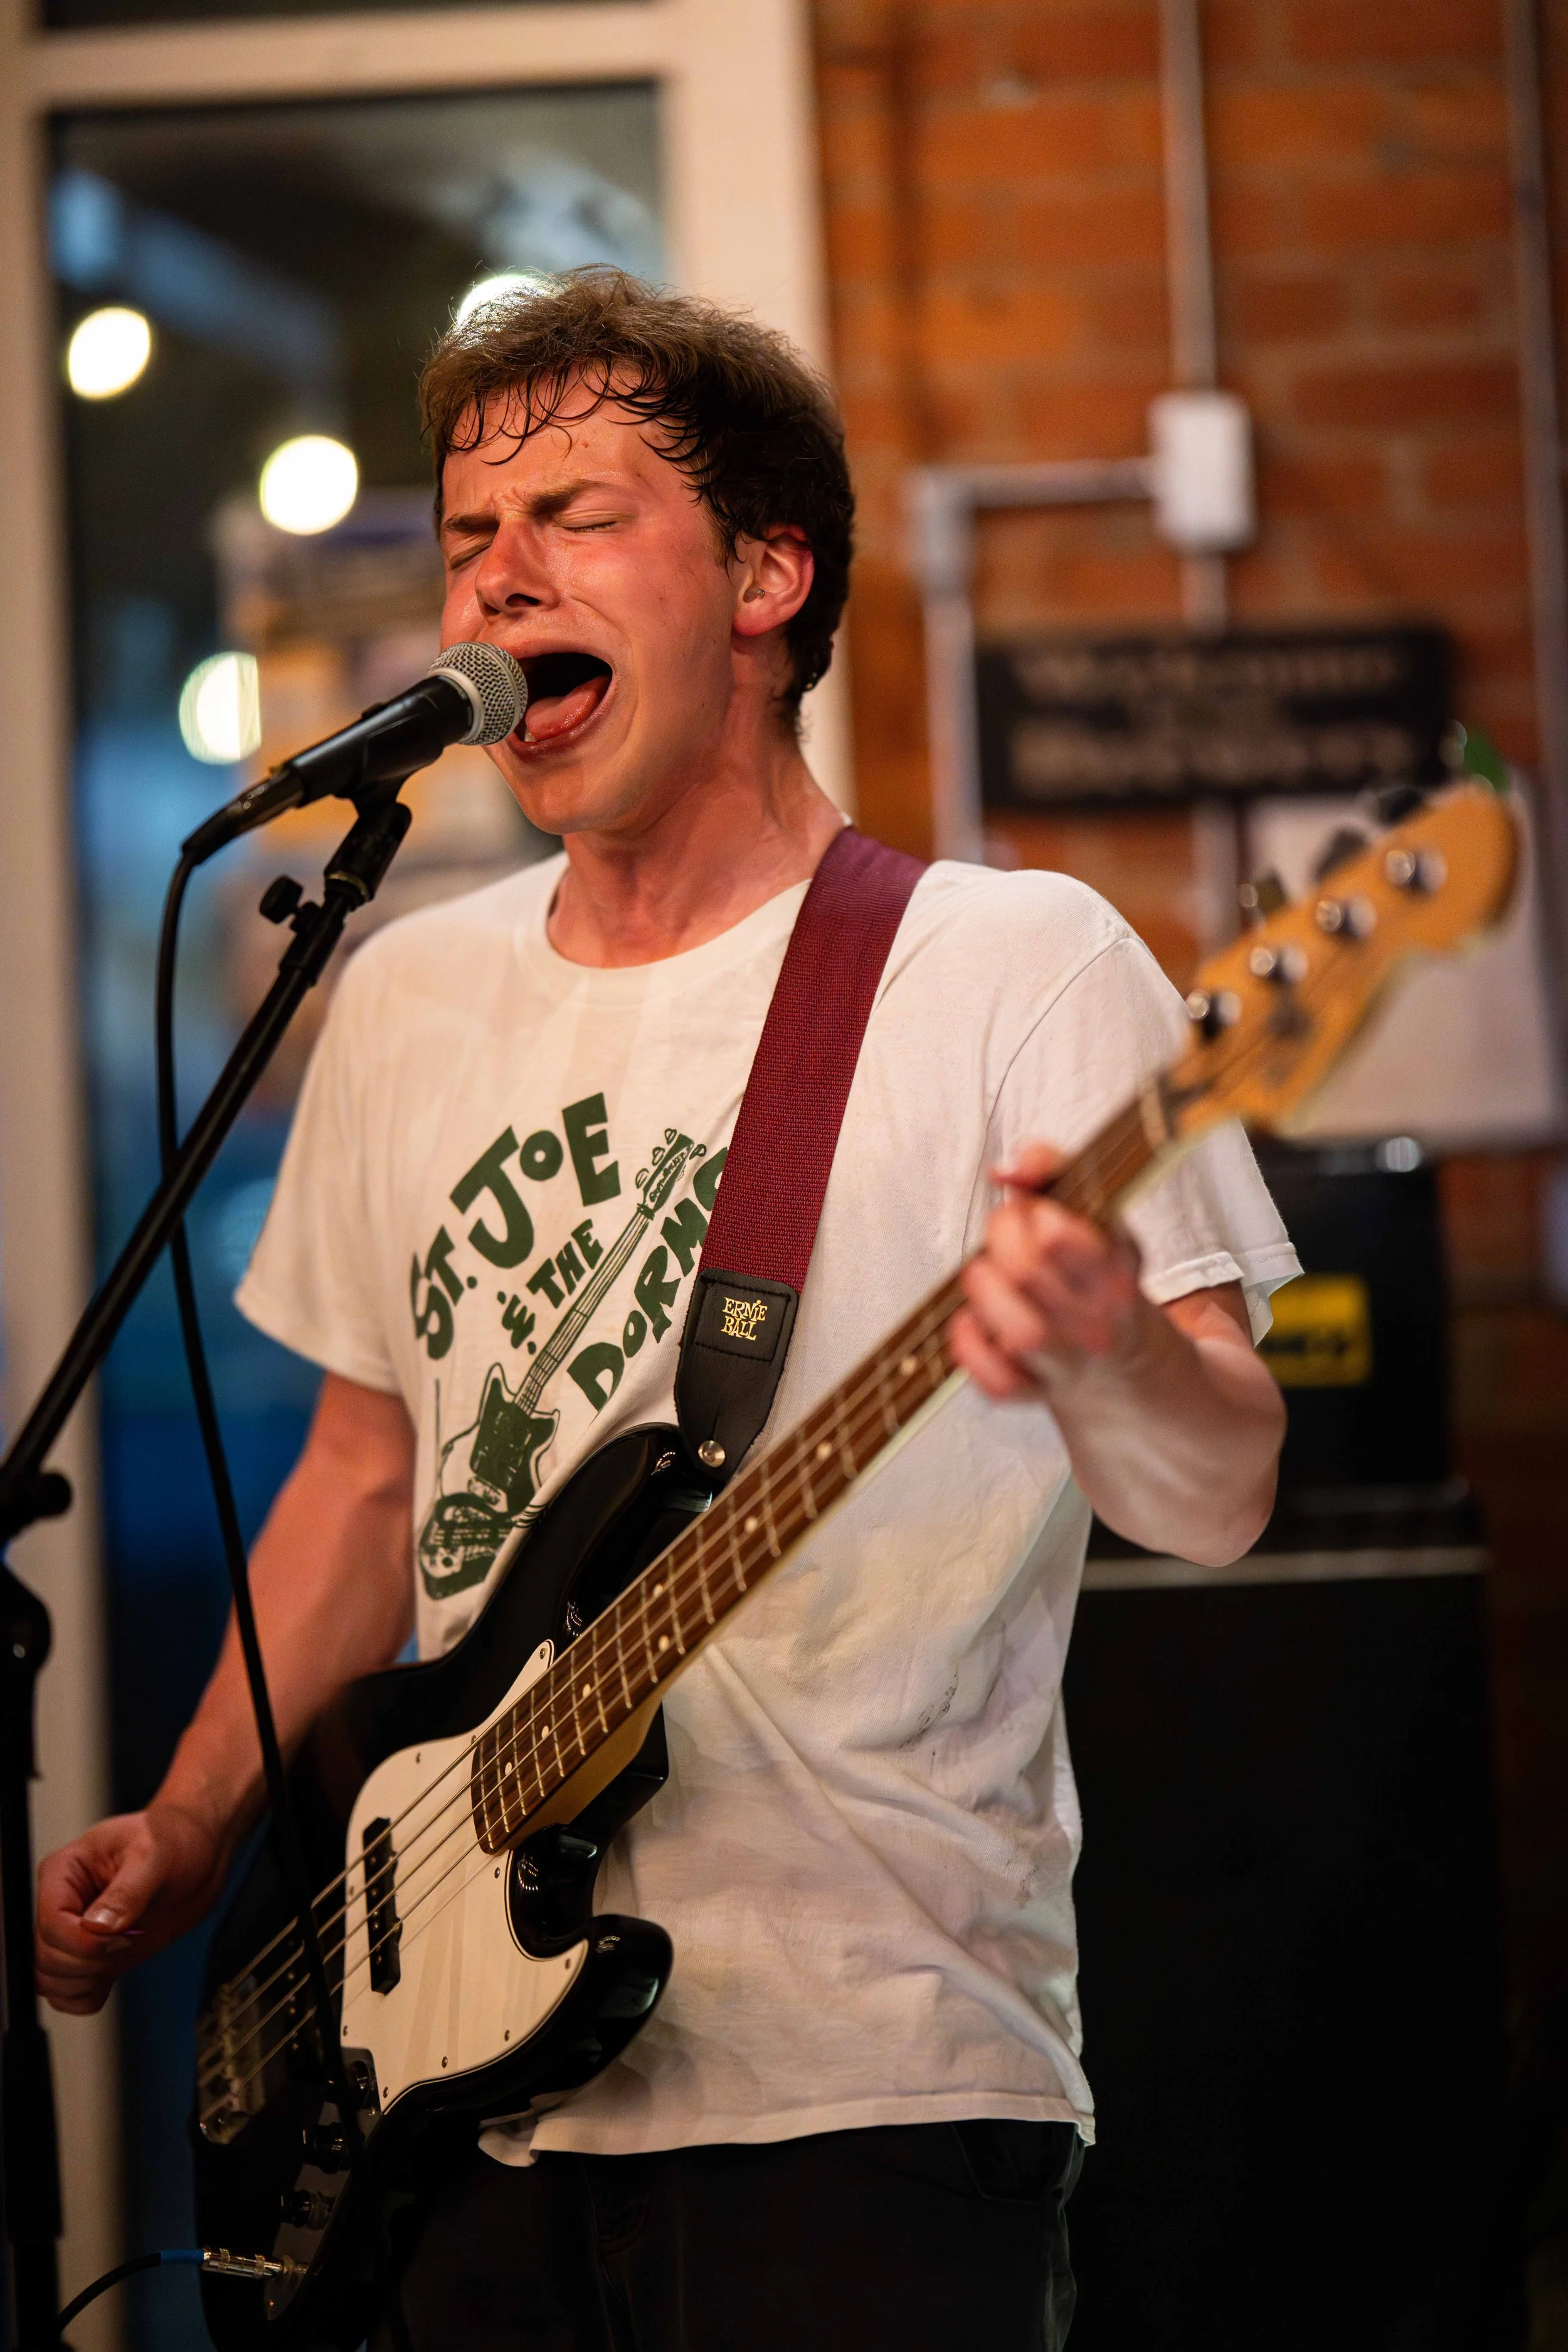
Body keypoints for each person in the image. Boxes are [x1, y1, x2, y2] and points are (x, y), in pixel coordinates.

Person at [36, 270, 1296, 2351]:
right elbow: (365, 1481)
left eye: (578, 515)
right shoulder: (412, 990)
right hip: (442, 2081)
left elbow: (1224, 1487)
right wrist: (190, 1824)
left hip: (864, 2082)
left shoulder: (1010, 967)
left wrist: (1108, 1348)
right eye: (467, 534)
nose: (496, 571)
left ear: (767, 576)